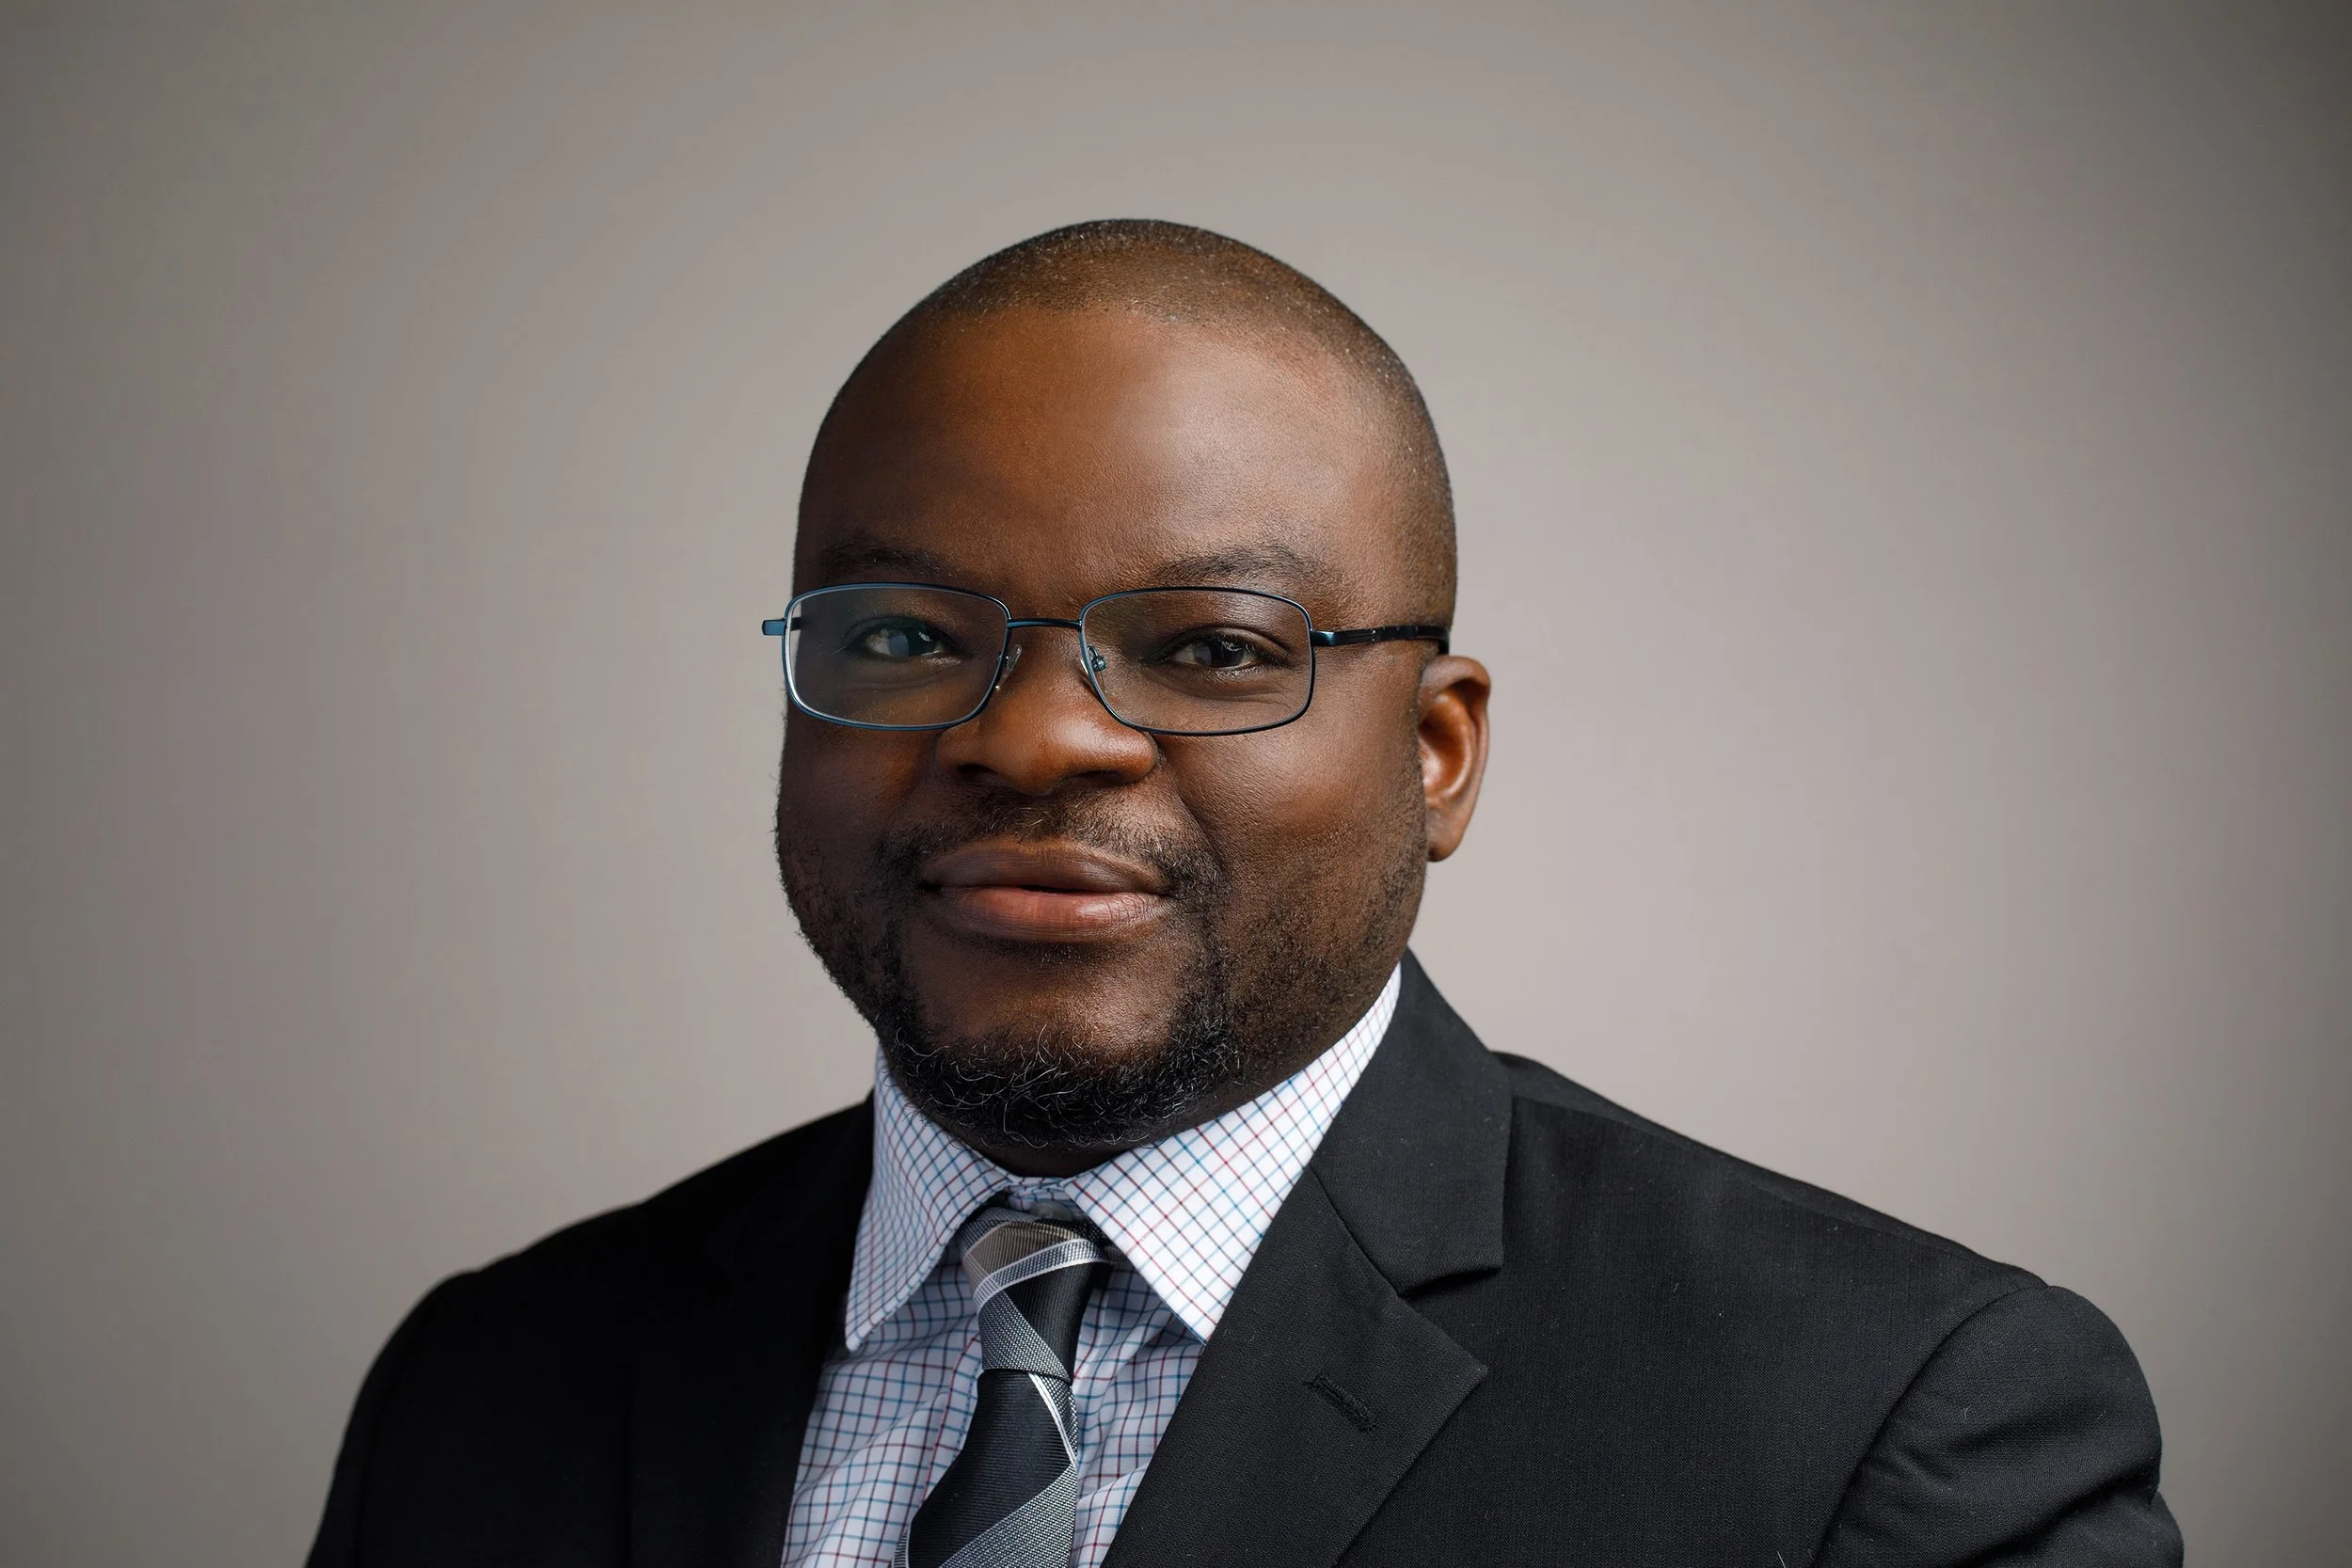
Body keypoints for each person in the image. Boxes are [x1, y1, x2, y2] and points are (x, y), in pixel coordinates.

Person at [306, 220, 2181, 1568]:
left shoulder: (1883, 1420)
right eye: (899, 633)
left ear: (1433, 752)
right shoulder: (493, 1379)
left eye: (1206, 646)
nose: (1033, 737)